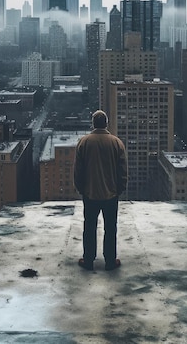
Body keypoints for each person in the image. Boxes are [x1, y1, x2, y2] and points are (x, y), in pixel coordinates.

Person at [74, 110, 127, 271]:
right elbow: (122, 171)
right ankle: (110, 261)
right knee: (110, 228)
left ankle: (88, 260)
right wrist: (119, 189)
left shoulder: (84, 142)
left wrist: (81, 188)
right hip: (111, 194)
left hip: (90, 193)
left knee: (89, 227)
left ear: (93, 123)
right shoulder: (116, 142)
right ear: (106, 123)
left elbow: (78, 170)